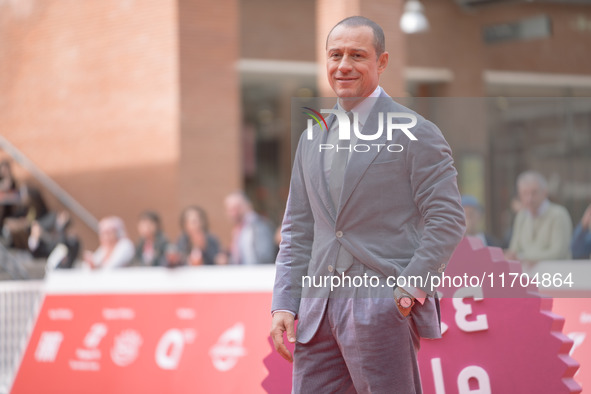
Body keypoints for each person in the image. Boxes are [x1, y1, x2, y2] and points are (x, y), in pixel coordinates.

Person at [270, 16, 465, 393]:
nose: (344, 65)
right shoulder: (312, 139)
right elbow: (298, 230)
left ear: (382, 62)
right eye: (336, 55)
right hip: (316, 311)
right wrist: (284, 304)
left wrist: (410, 289)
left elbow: (447, 219)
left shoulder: (416, 133)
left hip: (382, 307)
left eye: (357, 55)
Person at [505, 171, 572, 265]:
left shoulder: (559, 215)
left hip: (557, 275)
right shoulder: (521, 217)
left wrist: (527, 258)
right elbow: (514, 249)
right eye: (525, 193)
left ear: (544, 192)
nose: (529, 198)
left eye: (534, 193)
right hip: (528, 276)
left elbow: (559, 253)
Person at [224, 192, 276, 265]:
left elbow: (265, 257)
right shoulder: (239, 229)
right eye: (229, 210)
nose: (232, 214)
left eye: (235, 208)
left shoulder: (258, 226)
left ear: (246, 206)